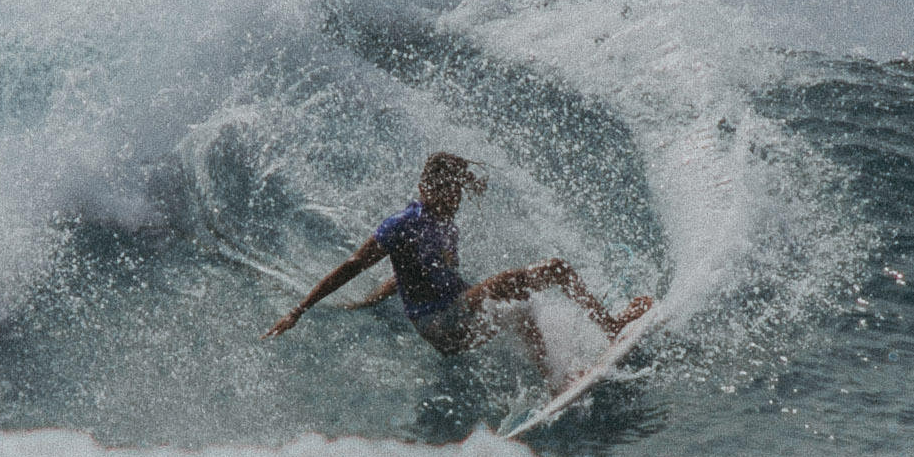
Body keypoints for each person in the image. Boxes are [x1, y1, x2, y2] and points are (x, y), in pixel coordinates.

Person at [262, 151, 651, 377]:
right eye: (448, 193)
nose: (455, 201)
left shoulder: (445, 227)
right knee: (525, 280)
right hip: (442, 326)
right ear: (426, 190)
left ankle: (566, 368)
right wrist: (299, 310)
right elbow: (351, 266)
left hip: (459, 318)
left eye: (458, 193)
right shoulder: (401, 225)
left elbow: (407, 277)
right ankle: (583, 356)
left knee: (535, 290)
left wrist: (371, 301)